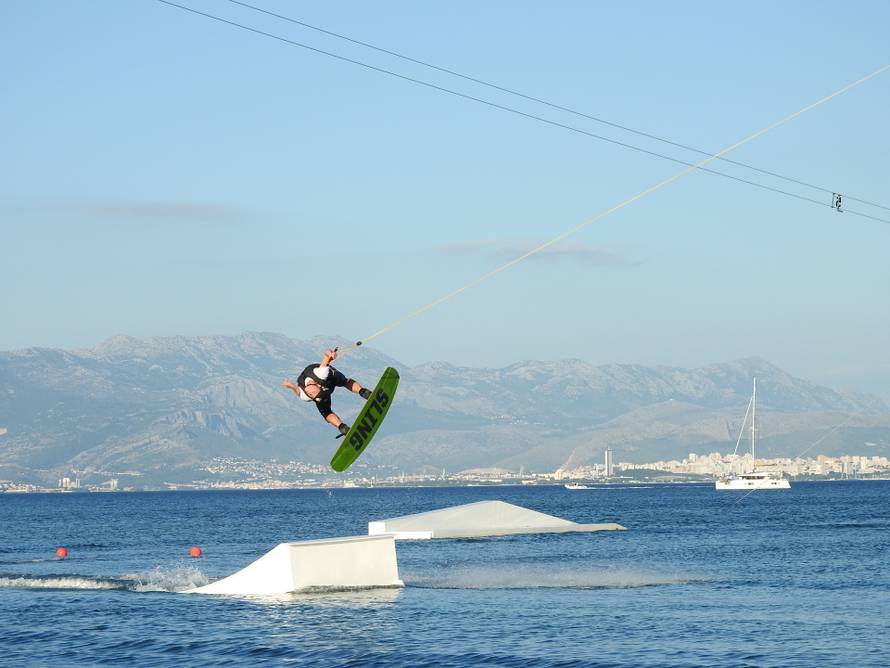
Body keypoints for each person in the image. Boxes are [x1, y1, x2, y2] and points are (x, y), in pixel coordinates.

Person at [282, 348, 372, 437]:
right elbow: (298, 391)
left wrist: (330, 354)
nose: (311, 394)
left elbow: (326, 355)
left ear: (317, 385)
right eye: (312, 395)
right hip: (324, 391)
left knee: (344, 381)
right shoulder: (307, 396)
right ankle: (343, 427)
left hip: (330, 379)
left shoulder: (321, 374)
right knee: (326, 412)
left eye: (312, 393)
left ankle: (364, 392)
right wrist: (291, 386)